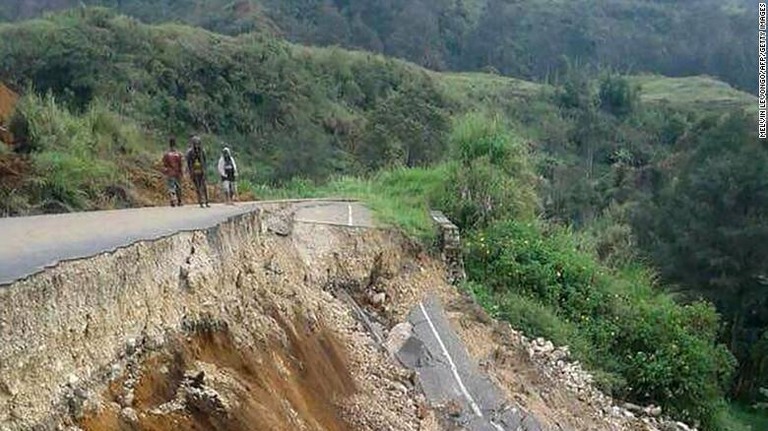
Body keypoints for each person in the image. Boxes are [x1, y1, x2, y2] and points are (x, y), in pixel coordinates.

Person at [186, 135, 210, 208]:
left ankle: (206, 201)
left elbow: (205, 162)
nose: (196, 145)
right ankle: (201, 201)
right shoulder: (190, 152)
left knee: (204, 186)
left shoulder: (202, 151)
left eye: (198, 143)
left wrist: (205, 170)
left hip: (201, 171)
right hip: (194, 171)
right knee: (198, 187)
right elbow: (189, 163)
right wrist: (190, 172)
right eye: (195, 143)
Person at [162, 137, 184, 207]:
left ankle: (173, 200)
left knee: (171, 187)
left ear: (169, 144)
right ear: (175, 144)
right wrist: (181, 172)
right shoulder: (178, 154)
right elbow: (181, 164)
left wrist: (165, 171)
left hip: (170, 173)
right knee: (178, 187)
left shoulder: (166, 154)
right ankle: (179, 201)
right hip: (177, 173)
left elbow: (164, 164)